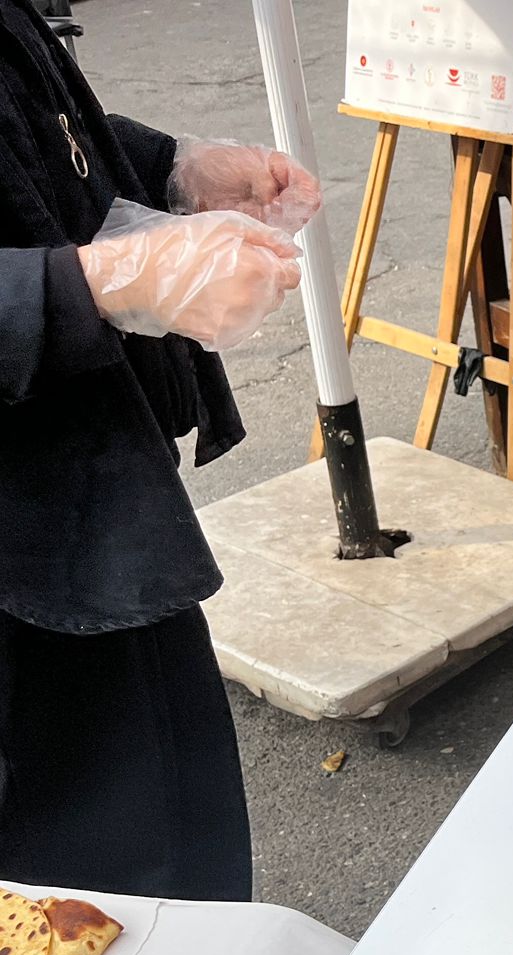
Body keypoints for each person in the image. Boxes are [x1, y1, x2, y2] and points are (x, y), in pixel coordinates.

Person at [0, 0, 312, 900]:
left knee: (182, 837)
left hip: (98, 516)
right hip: (19, 571)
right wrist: (89, 283)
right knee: (73, 917)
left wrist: (168, 170)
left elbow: (32, 125)